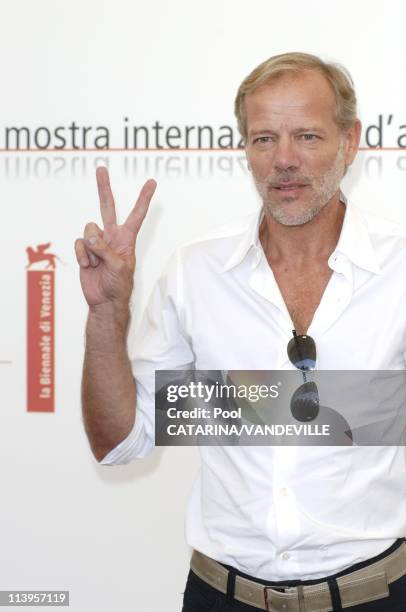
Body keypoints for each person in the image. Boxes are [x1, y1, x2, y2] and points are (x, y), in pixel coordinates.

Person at [74, 52, 406, 611]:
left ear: (350, 143)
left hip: (377, 596)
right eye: (263, 139)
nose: (283, 161)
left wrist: (256, 404)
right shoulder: (194, 271)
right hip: (221, 597)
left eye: (306, 136)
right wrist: (107, 313)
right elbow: (120, 441)